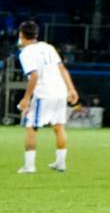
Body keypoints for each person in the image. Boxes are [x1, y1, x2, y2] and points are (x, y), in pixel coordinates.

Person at [15, 21, 79, 174]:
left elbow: (34, 76)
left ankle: (29, 166)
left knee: (31, 127)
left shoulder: (26, 53)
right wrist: (71, 89)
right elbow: (62, 68)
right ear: (36, 34)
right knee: (58, 127)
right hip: (60, 92)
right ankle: (60, 163)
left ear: (21, 34)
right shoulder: (48, 47)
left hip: (44, 94)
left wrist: (26, 98)